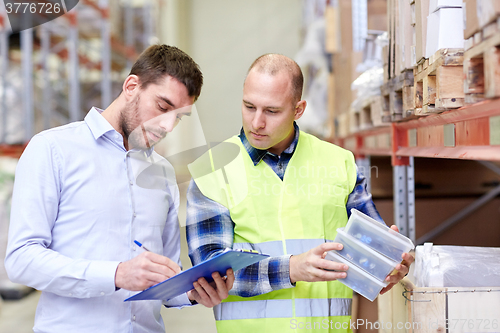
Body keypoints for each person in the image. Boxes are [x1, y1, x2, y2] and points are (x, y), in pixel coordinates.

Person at [4, 44, 234, 333]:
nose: (167, 125)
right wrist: (115, 274)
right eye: (162, 107)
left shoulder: (162, 172)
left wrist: (192, 291)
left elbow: (166, 277)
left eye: (177, 117)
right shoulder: (52, 149)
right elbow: (21, 259)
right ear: (131, 85)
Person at [185, 54, 414, 332]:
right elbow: (209, 272)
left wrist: (388, 265)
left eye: (271, 111)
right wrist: (291, 269)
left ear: (298, 109)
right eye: (249, 106)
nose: (256, 122)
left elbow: (369, 253)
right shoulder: (211, 171)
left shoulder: (338, 162)